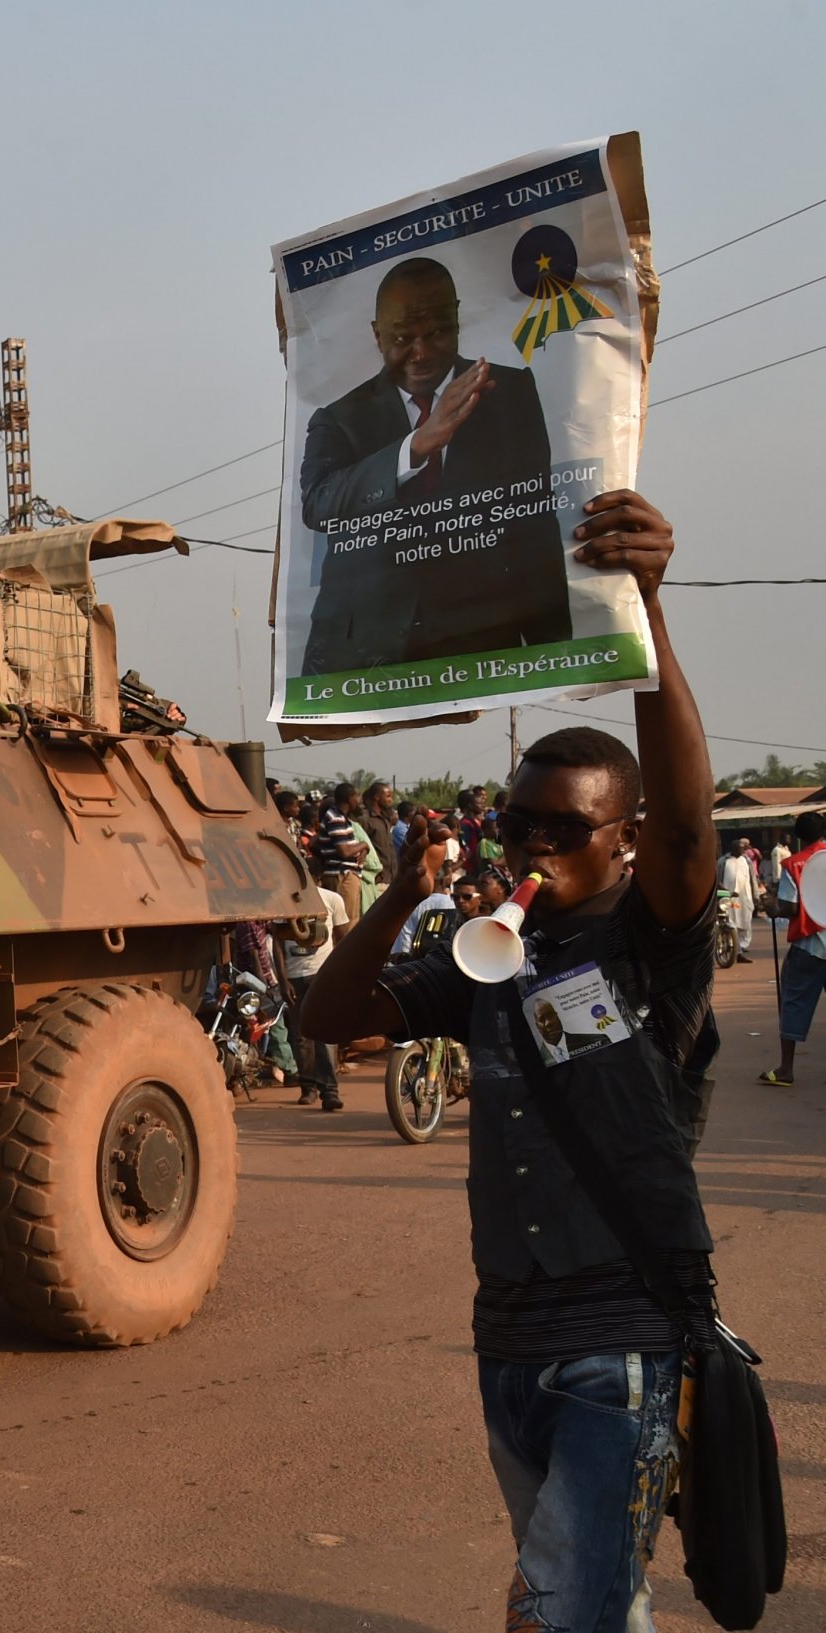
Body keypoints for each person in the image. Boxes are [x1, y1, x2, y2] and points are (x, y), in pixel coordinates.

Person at [300, 490, 716, 1632]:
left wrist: (646, 613)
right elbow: (331, 1018)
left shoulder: (653, 942)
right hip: (509, 1346)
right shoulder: (490, 958)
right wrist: (396, 894)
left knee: (558, 1612)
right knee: (594, 1602)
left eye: (562, 830)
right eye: (516, 826)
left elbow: (688, 824)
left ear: (621, 839)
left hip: (619, 1342)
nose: (531, 847)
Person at [296, 258, 573, 675]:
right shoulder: (341, 418)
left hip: (480, 646)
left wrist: (553, 650)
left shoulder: (508, 394)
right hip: (364, 653)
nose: (420, 353)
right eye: (403, 337)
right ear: (377, 335)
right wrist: (416, 446)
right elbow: (319, 504)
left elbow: (533, 520)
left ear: (457, 320)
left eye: (437, 332)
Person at [760, 810, 826, 1087]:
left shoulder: (795, 864)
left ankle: (786, 1069)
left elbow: (791, 907)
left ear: (798, 836)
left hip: (810, 946)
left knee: (793, 1001)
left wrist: (771, 905)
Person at [280, 884, 349, 1111]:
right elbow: (277, 944)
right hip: (295, 976)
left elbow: (344, 938)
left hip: (322, 973)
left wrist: (337, 972)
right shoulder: (283, 901)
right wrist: (283, 979)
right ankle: (308, 1088)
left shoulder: (331, 899)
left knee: (325, 1032)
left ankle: (330, 1091)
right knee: (300, 1036)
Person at [313, 782, 368, 933]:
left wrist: (362, 849)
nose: (358, 800)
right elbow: (344, 851)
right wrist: (363, 845)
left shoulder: (342, 819)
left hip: (346, 875)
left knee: (350, 922)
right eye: (356, 796)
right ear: (349, 798)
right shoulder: (335, 818)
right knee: (344, 925)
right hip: (341, 875)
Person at [718, 836, 757, 960]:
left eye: (743, 848)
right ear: (733, 849)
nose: (742, 851)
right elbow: (717, 880)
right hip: (728, 898)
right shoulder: (723, 861)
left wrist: (756, 895)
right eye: (739, 848)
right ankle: (736, 951)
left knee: (745, 922)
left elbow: (752, 879)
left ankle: (741, 946)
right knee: (730, 921)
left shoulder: (747, 860)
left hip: (744, 898)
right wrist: (724, 893)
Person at [364, 782, 401, 881]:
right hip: (377, 879)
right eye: (388, 796)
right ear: (377, 797)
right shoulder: (366, 819)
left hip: (391, 877)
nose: (390, 800)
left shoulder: (384, 819)